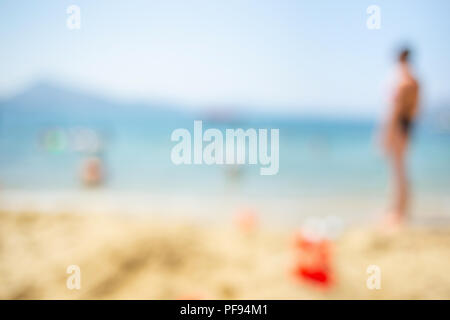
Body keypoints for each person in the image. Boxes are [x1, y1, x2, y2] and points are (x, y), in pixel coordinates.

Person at [382, 48, 420, 226]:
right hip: (408, 126)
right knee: (402, 169)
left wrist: (386, 133)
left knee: (397, 171)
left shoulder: (403, 82)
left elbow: (394, 110)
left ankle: (398, 211)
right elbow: (416, 109)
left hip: (398, 126)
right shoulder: (415, 81)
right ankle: (401, 209)